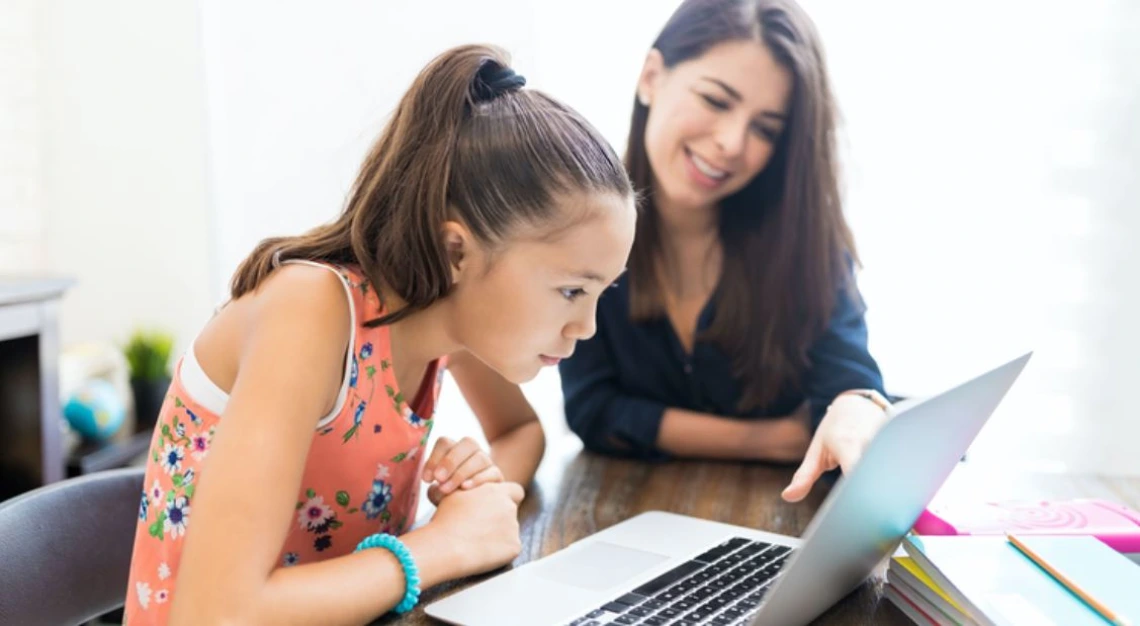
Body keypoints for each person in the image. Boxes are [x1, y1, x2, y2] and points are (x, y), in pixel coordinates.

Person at [125, 44, 636, 625]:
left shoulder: (449, 323)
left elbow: (519, 432)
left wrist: (476, 492)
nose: (587, 327)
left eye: (602, 294)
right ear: (455, 252)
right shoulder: (312, 312)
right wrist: (443, 546)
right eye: (572, 290)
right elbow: (217, 614)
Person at [560, 0, 890, 504]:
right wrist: (775, 439)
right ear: (652, 77)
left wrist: (856, 407)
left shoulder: (804, 240)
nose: (732, 143)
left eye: (765, 129)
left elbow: (851, 384)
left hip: (783, 520)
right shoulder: (580, 229)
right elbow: (593, 411)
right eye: (716, 100)